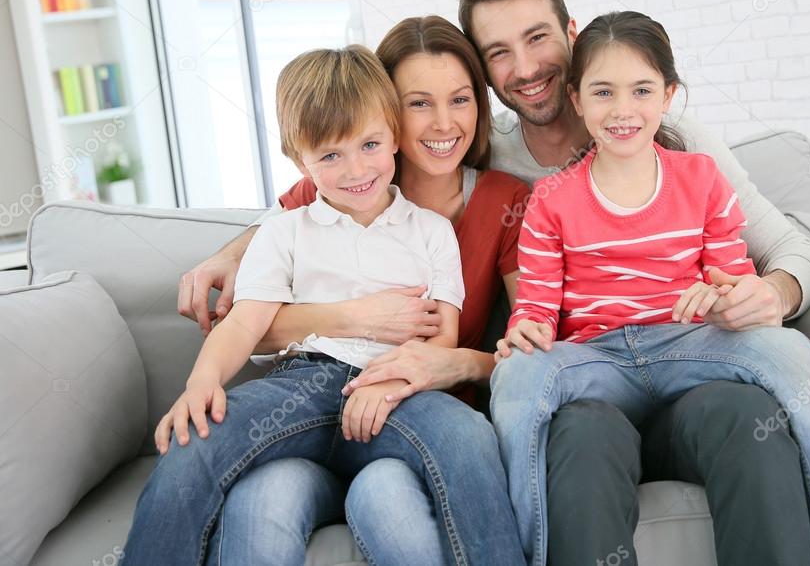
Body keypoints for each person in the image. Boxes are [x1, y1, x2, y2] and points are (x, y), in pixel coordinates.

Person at [180, 0, 810, 566]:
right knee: (573, 441)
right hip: (560, 392)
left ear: (571, 37)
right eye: (498, 53)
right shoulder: (420, 175)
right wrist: (232, 253)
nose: (524, 67)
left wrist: (773, 292)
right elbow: (286, 238)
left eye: (538, 38)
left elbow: (795, 247)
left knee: (747, 422)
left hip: (665, 370)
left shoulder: (662, 141)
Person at [488, 11, 810, 566]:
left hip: (690, 347)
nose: (623, 110)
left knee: (792, 349)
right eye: (603, 92)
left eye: (642, 90)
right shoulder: (551, 199)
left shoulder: (700, 176)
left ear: (668, 95)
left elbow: (732, 274)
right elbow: (537, 307)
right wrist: (525, 329)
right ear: (576, 99)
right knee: (517, 374)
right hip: (595, 362)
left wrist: (729, 298)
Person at [122, 45, 524, 566]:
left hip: (396, 392)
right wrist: (203, 383)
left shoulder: (432, 232)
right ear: (299, 160)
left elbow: (442, 337)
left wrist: (390, 380)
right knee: (193, 440)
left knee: (468, 437)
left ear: (393, 136)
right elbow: (246, 321)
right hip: (303, 385)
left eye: (370, 145)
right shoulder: (283, 232)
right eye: (330, 156)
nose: (355, 169)